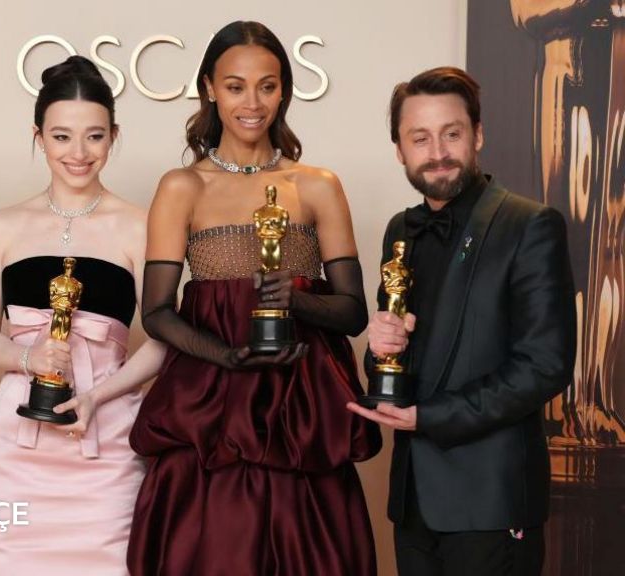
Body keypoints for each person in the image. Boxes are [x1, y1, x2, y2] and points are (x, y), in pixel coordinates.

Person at [129, 21, 381, 575]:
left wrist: (295, 300)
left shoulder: (317, 185)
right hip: (210, 407)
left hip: (302, 407)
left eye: (267, 86)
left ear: (284, 90)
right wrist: (225, 356)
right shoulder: (182, 187)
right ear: (209, 88)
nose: (252, 103)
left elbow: (353, 312)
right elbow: (157, 312)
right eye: (235, 86)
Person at [346, 66, 576, 575]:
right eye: (420, 138)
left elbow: (545, 365)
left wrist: (429, 418)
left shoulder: (530, 225)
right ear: (399, 150)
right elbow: (393, 360)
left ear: (477, 135)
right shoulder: (400, 230)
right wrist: (379, 348)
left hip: (491, 503)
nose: (438, 152)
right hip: (413, 505)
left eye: (451, 133)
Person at [0, 55, 165, 575]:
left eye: (94, 137)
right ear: (38, 137)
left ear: (113, 137)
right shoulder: (3, 226)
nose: (78, 153)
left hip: (107, 435)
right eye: (61, 137)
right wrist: (27, 357)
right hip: (20, 443)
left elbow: (166, 338)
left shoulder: (140, 225)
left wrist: (100, 394)